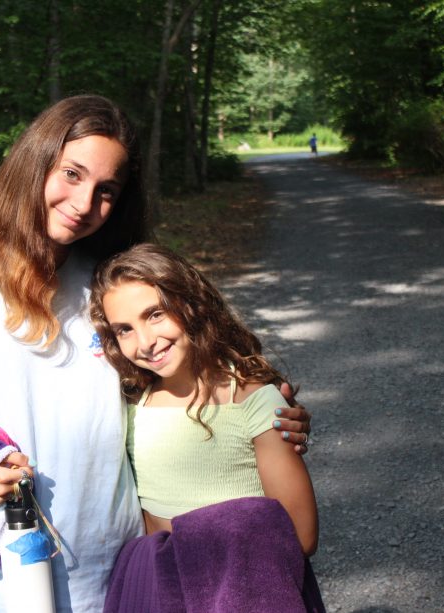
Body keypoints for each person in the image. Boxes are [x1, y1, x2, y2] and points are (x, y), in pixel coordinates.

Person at [0, 94, 312, 612]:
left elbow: (181, 381)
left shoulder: (110, 290)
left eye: (106, 190)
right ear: (33, 163)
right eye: (71, 173)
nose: (84, 203)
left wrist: (267, 413)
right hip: (2, 571)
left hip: (125, 568)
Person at [89, 243, 320, 610]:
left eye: (155, 314)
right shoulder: (131, 405)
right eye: (124, 329)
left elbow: (302, 534)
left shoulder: (251, 400)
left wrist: (195, 541)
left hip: (247, 588)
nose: (145, 342)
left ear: (190, 304)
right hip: (162, 591)